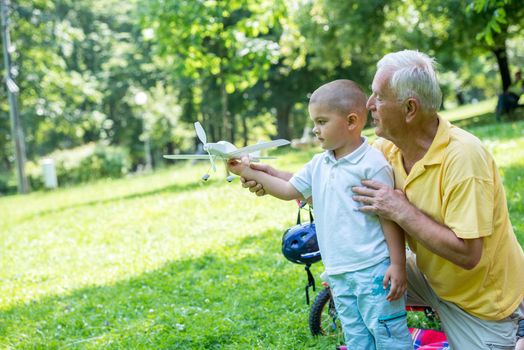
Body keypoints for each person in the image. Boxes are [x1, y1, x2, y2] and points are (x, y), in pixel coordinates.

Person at [241, 50, 524, 349]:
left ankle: (519, 327)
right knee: (367, 277)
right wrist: (271, 175)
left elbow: (469, 255)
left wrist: (400, 209)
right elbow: (338, 180)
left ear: (409, 109)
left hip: (482, 302)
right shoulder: (386, 149)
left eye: (378, 96)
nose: (369, 104)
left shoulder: (464, 159)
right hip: (428, 273)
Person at [228, 79, 413, 349]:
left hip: (373, 270)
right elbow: (289, 189)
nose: (315, 130)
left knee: (388, 336)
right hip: (339, 272)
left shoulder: (372, 165)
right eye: (314, 122)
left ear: (351, 122)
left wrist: (397, 265)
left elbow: (389, 218)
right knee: (357, 337)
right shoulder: (319, 163)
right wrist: (245, 170)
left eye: (322, 122)